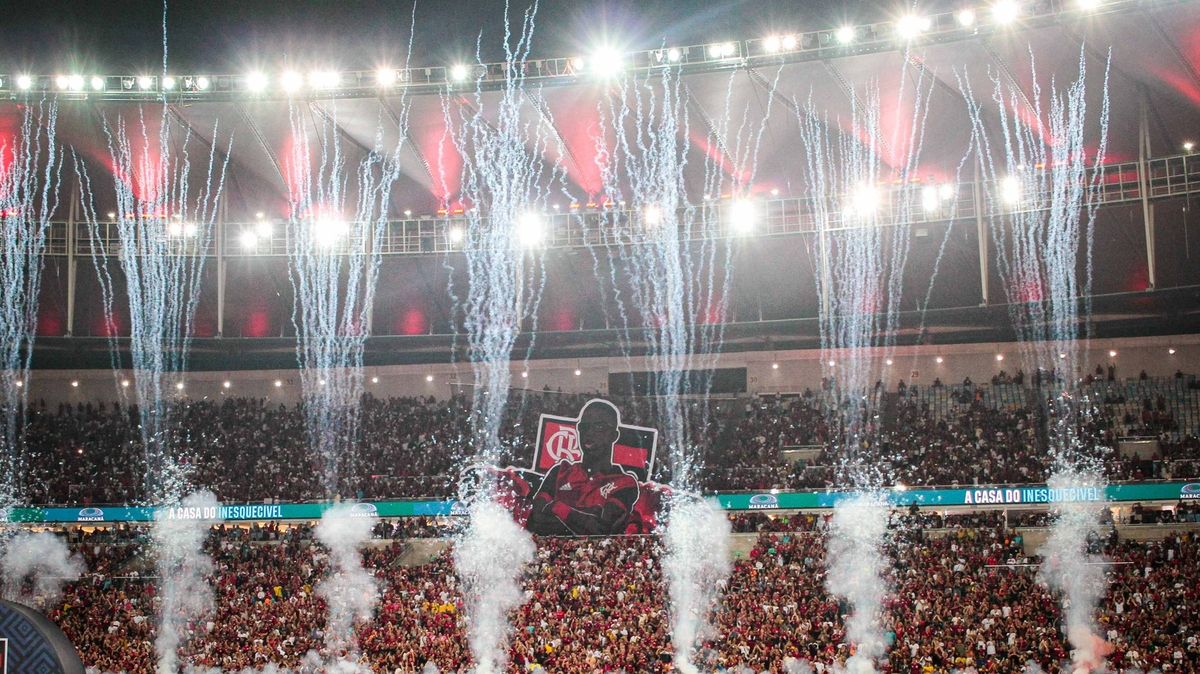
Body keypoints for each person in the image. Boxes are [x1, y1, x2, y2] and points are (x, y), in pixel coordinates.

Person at [526, 399, 641, 536]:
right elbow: (536, 519)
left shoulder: (624, 482)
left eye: (599, 427)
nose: (589, 433)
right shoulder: (560, 471)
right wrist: (585, 518)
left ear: (614, 435)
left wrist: (557, 507)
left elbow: (601, 530)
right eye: (584, 427)